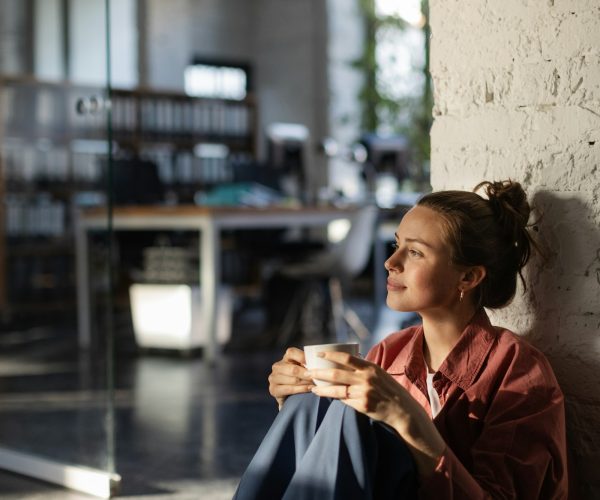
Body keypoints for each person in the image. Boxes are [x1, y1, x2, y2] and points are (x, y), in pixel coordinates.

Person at [234, 180, 568, 499]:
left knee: (349, 415)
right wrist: (294, 401)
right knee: (312, 405)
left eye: (416, 253)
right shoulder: (390, 353)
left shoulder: (520, 373)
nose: (390, 262)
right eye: (397, 245)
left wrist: (406, 419)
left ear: (468, 276)